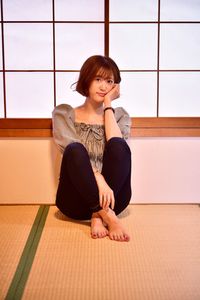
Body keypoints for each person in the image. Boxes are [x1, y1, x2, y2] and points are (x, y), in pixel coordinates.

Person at [52, 55, 132, 242]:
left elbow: (117, 148)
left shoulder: (119, 116)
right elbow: (69, 148)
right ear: (86, 79)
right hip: (74, 201)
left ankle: (98, 215)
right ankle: (106, 215)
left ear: (115, 87)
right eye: (98, 79)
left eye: (109, 81)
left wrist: (108, 105)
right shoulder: (65, 113)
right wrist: (98, 177)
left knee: (119, 145)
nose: (104, 87)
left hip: (114, 199)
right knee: (75, 150)